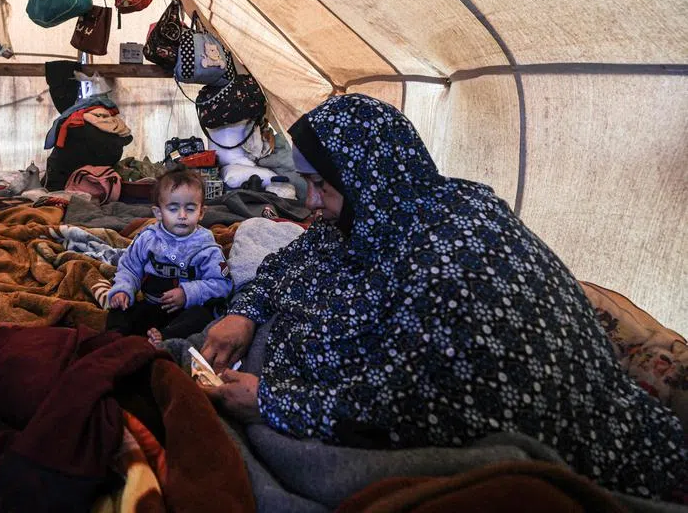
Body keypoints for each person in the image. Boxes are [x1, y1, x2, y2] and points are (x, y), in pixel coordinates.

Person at [200, 94, 686, 498]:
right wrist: (245, 311)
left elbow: (411, 404)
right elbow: (298, 258)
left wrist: (275, 402)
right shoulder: (387, 206)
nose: (309, 202)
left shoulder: (453, 261)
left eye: (320, 185)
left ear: (362, 175)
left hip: (607, 459)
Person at [107, 169, 231, 344]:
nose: (182, 216)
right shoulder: (148, 238)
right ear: (158, 213)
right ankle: (114, 340)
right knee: (119, 309)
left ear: (201, 212)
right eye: (173, 209)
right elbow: (129, 267)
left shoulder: (207, 247)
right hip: (151, 307)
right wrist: (123, 289)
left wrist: (188, 293)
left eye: (190, 209)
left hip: (185, 312)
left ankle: (164, 339)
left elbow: (222, 284)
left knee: (203, 317)